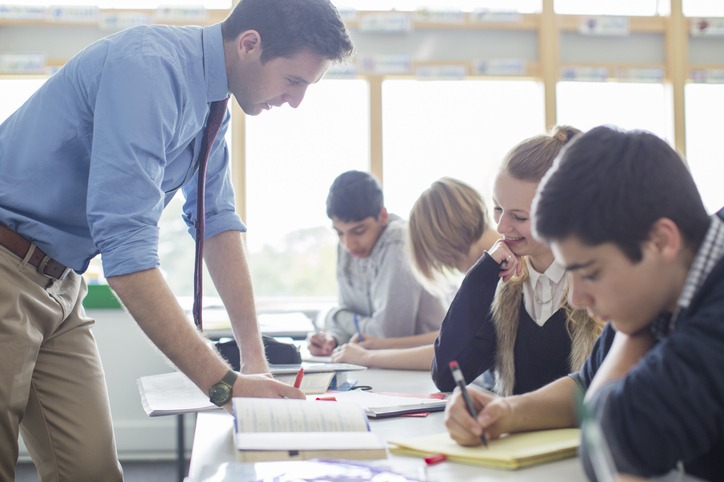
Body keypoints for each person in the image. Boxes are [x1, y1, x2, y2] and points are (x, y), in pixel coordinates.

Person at [0, 0, 353, 480]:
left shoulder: (213, 106)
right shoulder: (150, 69)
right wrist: (224, 384)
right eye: (293, 82)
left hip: (60, 283)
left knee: (93, 472)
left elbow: (216, 221)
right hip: (7, 266)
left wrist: (254, 362)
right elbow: (127, 253)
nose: (295, 101)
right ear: (250, 44)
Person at [444, 126, 724, 481]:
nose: (576, 298)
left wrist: (631, 332)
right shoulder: (673, 274)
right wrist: (506, 411)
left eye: (589, 272)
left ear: (660, 241)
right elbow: (587, 383)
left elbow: (610, 444)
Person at [432, 126, 603, 396]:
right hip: (515, 434)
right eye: (498, 208)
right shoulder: (506, 283)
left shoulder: (599, 285)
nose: (501, 226)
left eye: (519, 217)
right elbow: (447, 374)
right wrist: (482, 275)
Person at [331, 177, 499, 369]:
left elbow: (448, 353)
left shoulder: (496, 273)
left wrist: (368, 356)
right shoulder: (486, 270)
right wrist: (380, 346)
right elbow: (450, 339)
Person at [307, 170, 448, 356]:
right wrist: (333, 339)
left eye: (358, 231)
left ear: (382, 216)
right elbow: (354, 316)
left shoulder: (399, 241)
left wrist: (332, 316)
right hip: (380, 362)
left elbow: (386, 334)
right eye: (339, 232)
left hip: (424, 367)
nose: (348, 244)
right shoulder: (349, 244)